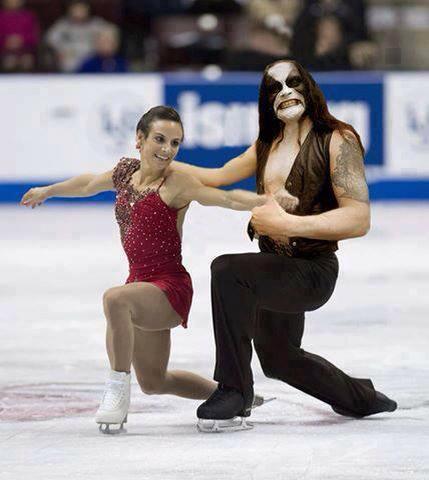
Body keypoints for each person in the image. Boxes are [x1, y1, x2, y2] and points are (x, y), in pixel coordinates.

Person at [171, 60, 397, 432]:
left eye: (293, 82)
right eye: (275, 87)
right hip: (274, 264)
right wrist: (157, 164)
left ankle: (234, 390)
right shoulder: (267, 143)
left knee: (228, 271)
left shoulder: (337, 139)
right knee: (279, 359)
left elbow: (359, 219)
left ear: (309, 86)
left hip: (312, 269)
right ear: (267, 100)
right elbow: (217, 176)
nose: (286, 91)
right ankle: (362, 398)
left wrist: (288, 224)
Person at [20, 106, 268, 433]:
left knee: (115, 299)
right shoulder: (125, 173)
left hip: (169, 287)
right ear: (140, 139)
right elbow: (87, 184)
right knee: (154, 381)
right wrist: (49, 190)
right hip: (139, 284)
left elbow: (226, 199)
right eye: (160, 139)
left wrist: (265, 202)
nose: (167, 149)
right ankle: (237, 394)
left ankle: (116, 392)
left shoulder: (176, 183)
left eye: (175, 143)